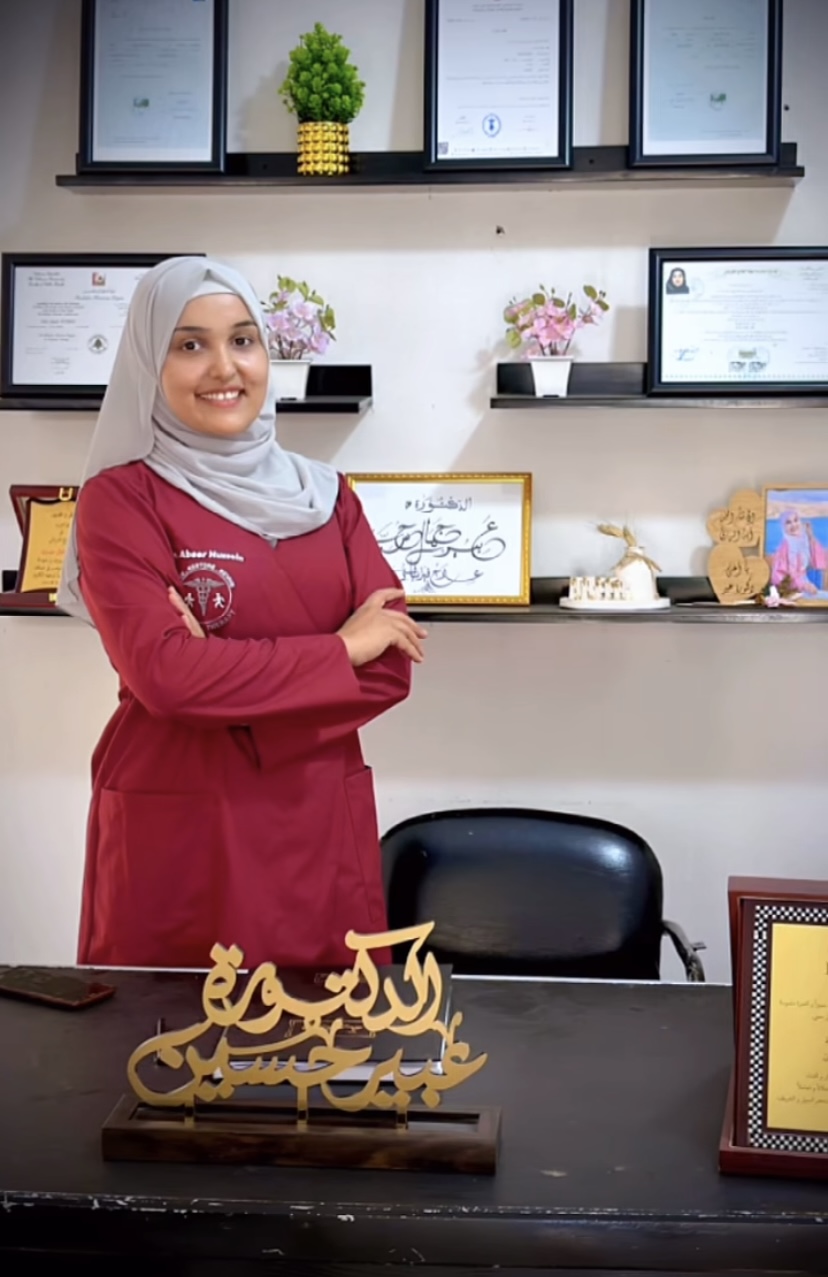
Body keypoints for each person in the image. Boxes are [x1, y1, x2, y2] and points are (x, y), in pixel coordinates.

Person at [57, 256, 427, 971]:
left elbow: (390, 668)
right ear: (148, 363)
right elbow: (166, 677)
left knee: (328, 1030)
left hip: (316, 820)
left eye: (243, 340)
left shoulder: (329, 495)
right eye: (190, 344)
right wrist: (339, 650)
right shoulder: (121, 500)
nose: (223, 367)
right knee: (168, 1030)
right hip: (184, 821)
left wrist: (217, 672)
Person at [769, 507, 828, 595]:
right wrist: (803, 585)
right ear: (783, 527)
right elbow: (782, 577)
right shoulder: (784, 547)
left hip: (808, 583)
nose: (793, 525)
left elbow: (817, 560)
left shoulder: (804, 539)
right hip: (793, 589)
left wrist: (810, 535)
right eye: (788, 522)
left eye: (796, 520)